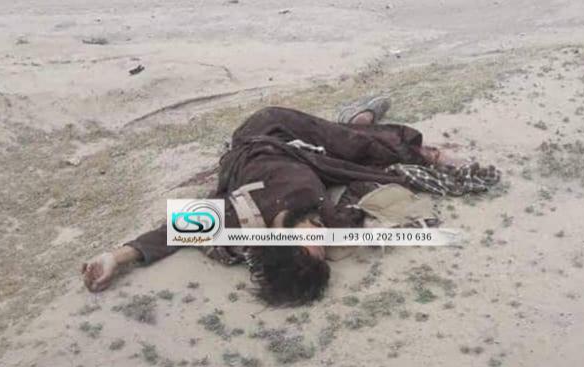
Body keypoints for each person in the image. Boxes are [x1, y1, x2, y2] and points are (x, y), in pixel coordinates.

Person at [82, 97, 499, 304]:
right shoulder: (327, 228)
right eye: (321, 246)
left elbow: (168, 232)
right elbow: (363, 210)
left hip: (268, 131)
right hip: (312, 157)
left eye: (311, 242)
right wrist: (387, 227)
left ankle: (370, 130)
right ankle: (362, 123)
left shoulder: (239, 217)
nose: (320, 233)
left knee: (355, 144)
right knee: (373, 159)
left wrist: (115, 257)